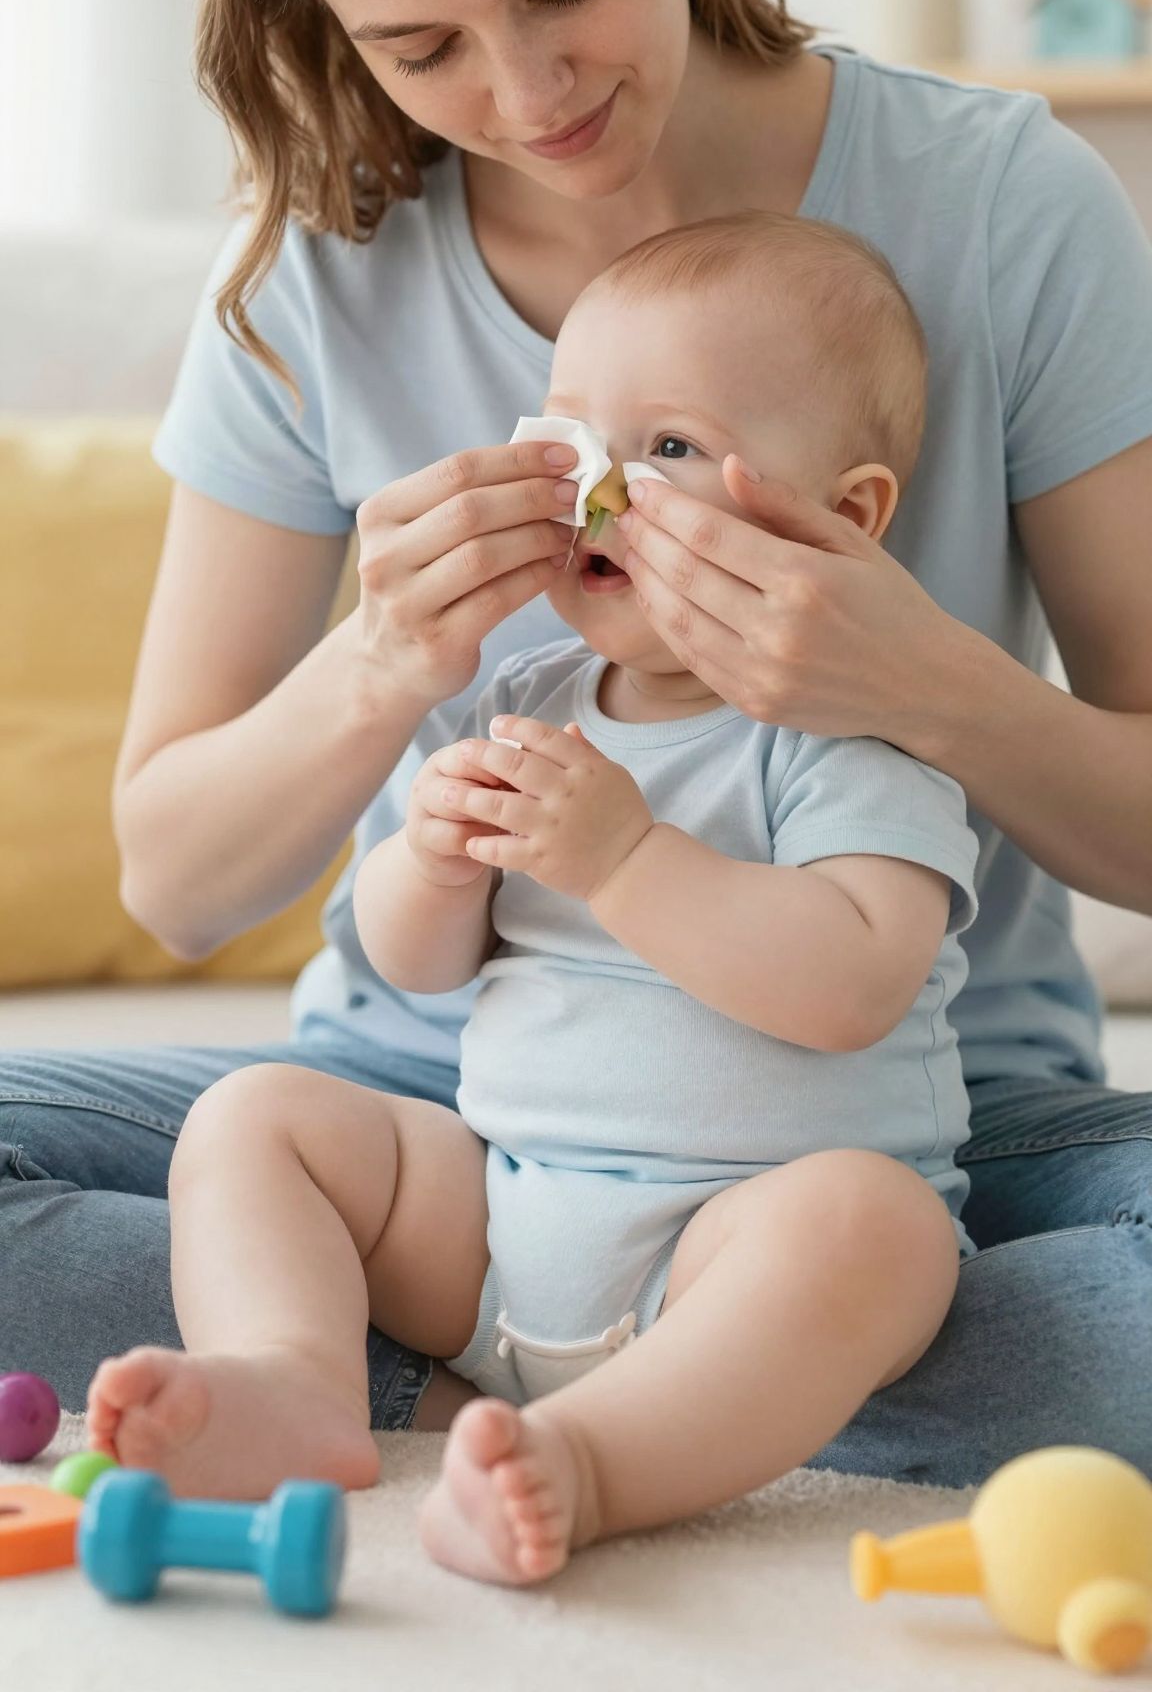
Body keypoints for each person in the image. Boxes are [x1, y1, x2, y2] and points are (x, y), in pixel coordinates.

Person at [3, 0, 1151, 1482]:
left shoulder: (1004, 206)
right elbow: (182, 883)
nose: (529, 88)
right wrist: (383, 663)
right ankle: (621, 1402)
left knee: (878, 1244)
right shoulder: (315, 279)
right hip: (440, 1130)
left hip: (906, 1126)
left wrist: (918, 681)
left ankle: (563, 1394)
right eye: (421, 48)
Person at [86, 213, 983, 1583]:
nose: (598, 486)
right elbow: (415, 962)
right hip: (502, 1227)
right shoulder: (525, 697)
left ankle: (594, 1462)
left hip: (731, 1252)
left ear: (845, 516)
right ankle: (296, 1379)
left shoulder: (847, 730)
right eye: (572, 435)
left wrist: (624, 863)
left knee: (878, 1232)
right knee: (256, 1118)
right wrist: (431, 863)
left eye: (669, 446)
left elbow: (855, 984)